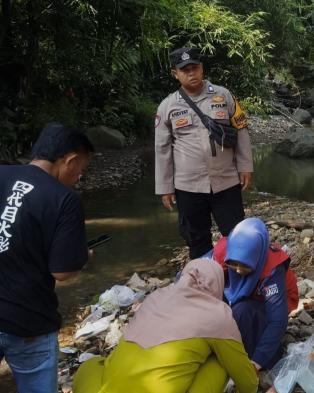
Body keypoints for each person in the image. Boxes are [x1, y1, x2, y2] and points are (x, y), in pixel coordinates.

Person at [0, 123, 94, 392]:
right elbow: (62, 272)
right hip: (28, 321)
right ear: (70, 160)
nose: (79, 176)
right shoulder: (64, 199)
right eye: (80, 169)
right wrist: (82, 255)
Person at [73, 258, 258, 393]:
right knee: (222, 360)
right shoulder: (218, 315)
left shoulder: (156, 297)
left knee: (91, 365)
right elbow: (246, 380)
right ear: (216, 284)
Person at [155, 47, 253, 259]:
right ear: (176, 74)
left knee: (236, 235)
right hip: (187, 185)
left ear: (202, 68)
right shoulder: (167, 106)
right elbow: (162, 149)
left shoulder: (223, 96)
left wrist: (245, 166)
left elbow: (241, 129)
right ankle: (202, 280)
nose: (191, 73)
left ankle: (236, 280)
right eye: (185, 70)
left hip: (225, 181)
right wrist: (165, 187)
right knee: (196, 238)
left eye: (195, 67)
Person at [206, 217, 298, 372]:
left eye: (244, 265)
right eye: (233, 264)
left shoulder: (272, 269)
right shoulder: (222, 251)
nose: (238, 270)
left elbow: (277, 319)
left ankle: (251, 349)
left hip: (268, 299)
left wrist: (257, 362)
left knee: (242, 311)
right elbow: (192, 274)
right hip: (245, 291)